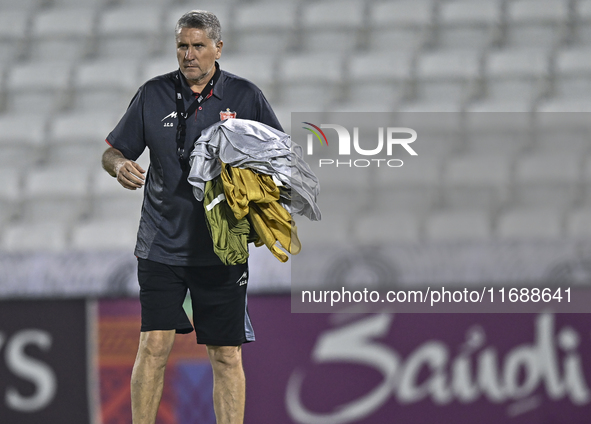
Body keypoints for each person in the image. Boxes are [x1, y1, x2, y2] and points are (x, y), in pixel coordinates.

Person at [101, 10, 283, 424]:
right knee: (153, 347)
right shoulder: (152, 94)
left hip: (223, 246)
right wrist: (118, 165)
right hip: (161, 244)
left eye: (198, 46)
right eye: (182, 45)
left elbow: (277, 158)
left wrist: (259, 198)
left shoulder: (246, 97)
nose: (189, 54)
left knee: (225, 353)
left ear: (218, 48)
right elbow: (111, 149)